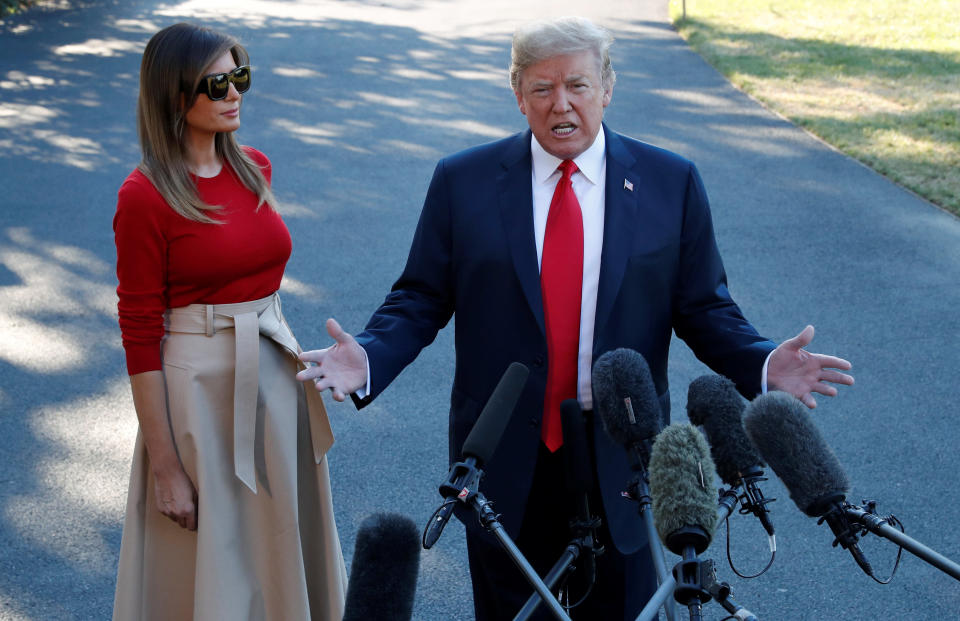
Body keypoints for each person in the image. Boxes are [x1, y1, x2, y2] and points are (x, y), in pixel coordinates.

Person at [298, 16, 853, 620]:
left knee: (624, 607)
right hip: (504, 451)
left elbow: (704, 308)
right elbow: (421, 297)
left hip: (622, 450)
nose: (560, 104)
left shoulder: (671, 183)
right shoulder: (464, 181)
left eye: (577, 86)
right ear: (518, 95)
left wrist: (766, 363)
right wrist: (372, 354)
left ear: (607, 88)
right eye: (542, 88)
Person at [112, 23, 346, 620]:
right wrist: (165, 467)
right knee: (209, 558)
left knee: (277, 546)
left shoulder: (254, 167)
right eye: (217, 83)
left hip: (272, 375)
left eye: (239, 76)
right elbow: (139, 334)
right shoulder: (143, 197)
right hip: (198, 398)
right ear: (175, 94)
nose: (234, 93)